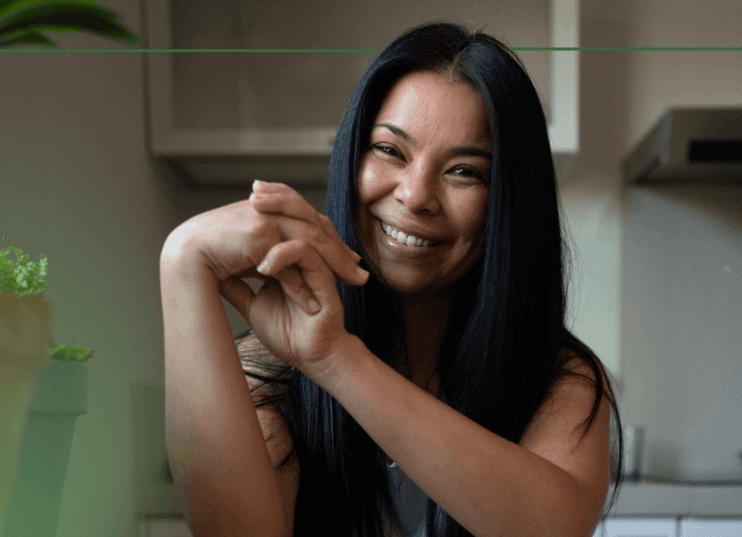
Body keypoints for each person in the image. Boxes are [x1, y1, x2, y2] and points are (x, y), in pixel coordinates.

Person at [159, 22, 624, 537]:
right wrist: (183, 264)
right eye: (389, 151)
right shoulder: (271, 368)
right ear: (352, 155)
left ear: (508, 203)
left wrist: (335, 359)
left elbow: (549, 529)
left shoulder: (561, 381)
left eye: (465, 171)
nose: (416, 195)